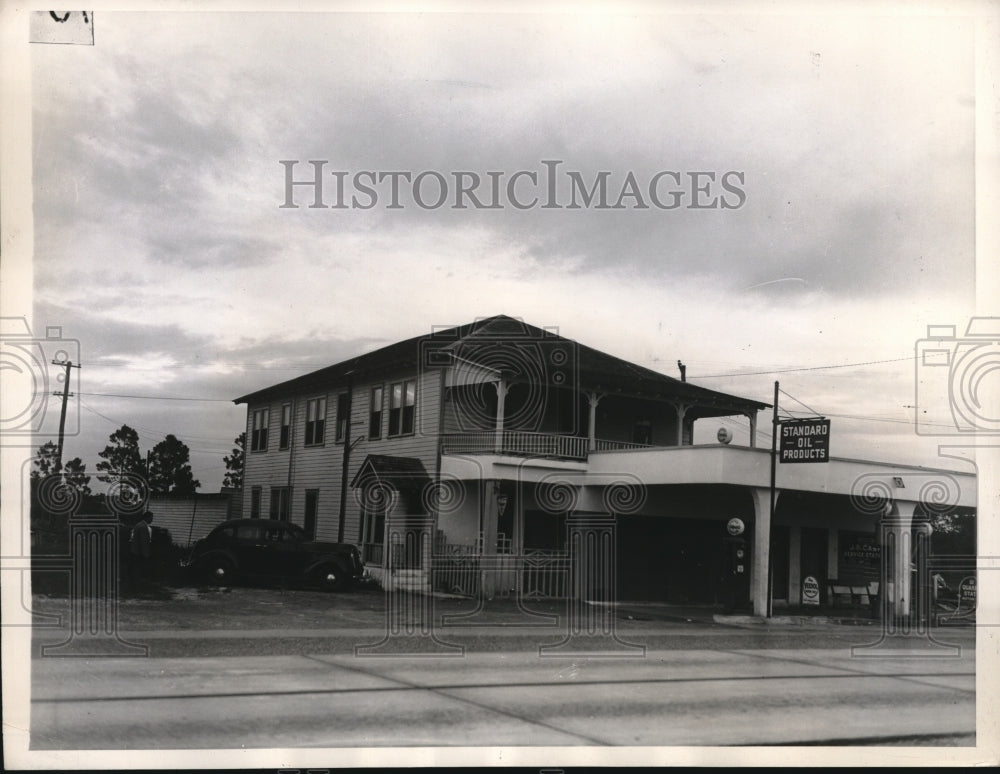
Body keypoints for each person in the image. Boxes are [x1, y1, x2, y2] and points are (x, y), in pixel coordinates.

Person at [127, 511, 154, 589]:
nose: (152, 520)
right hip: (138, 551)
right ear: (147, 517)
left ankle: (133, 583)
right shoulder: (143, 526)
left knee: (134, 568)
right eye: (151, 518)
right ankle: (136, 585)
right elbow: (144, 541)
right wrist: (146, 554)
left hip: (134, 550)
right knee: (137, 568)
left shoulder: (138, 524)